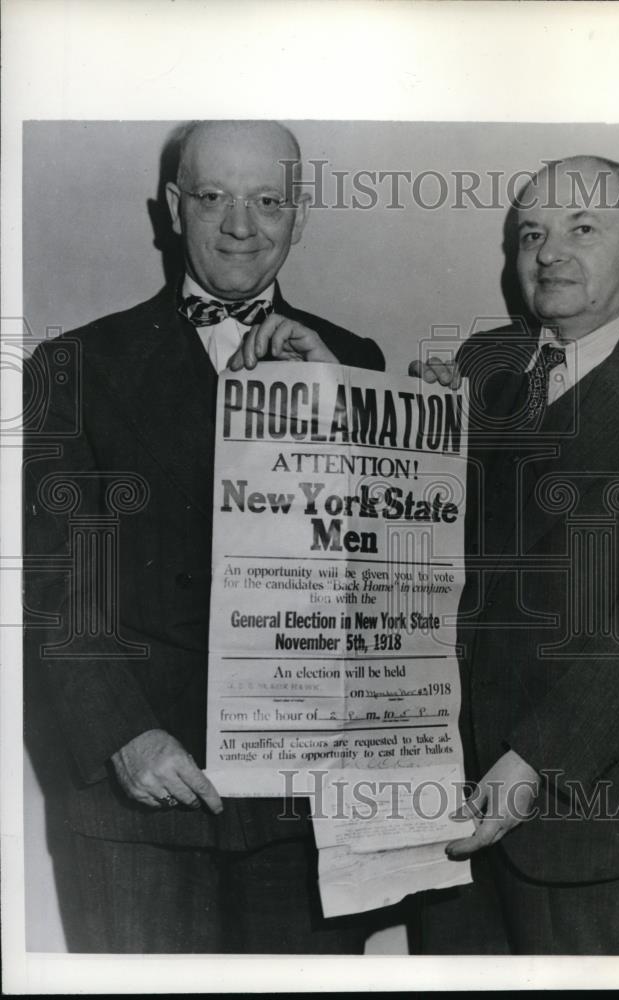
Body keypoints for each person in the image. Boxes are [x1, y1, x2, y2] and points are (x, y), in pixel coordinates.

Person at [23, 120, 390, 953]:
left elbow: (390, 578)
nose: (240, 225)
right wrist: (123, 734)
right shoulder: (73, 366)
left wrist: (340, 403)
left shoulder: (356, 360)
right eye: (215, 197)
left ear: (300, 215)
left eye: (267, 200)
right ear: (173, 207)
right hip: (138, 796)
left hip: (301, 810)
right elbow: (46, 581)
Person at [411, 156, 619, 954]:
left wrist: (536, 761)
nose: (549, 253)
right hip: (443, 802)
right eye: (531, 234)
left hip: (595, 816)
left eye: (583, 229)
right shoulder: (482, 371)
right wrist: (335, 392)